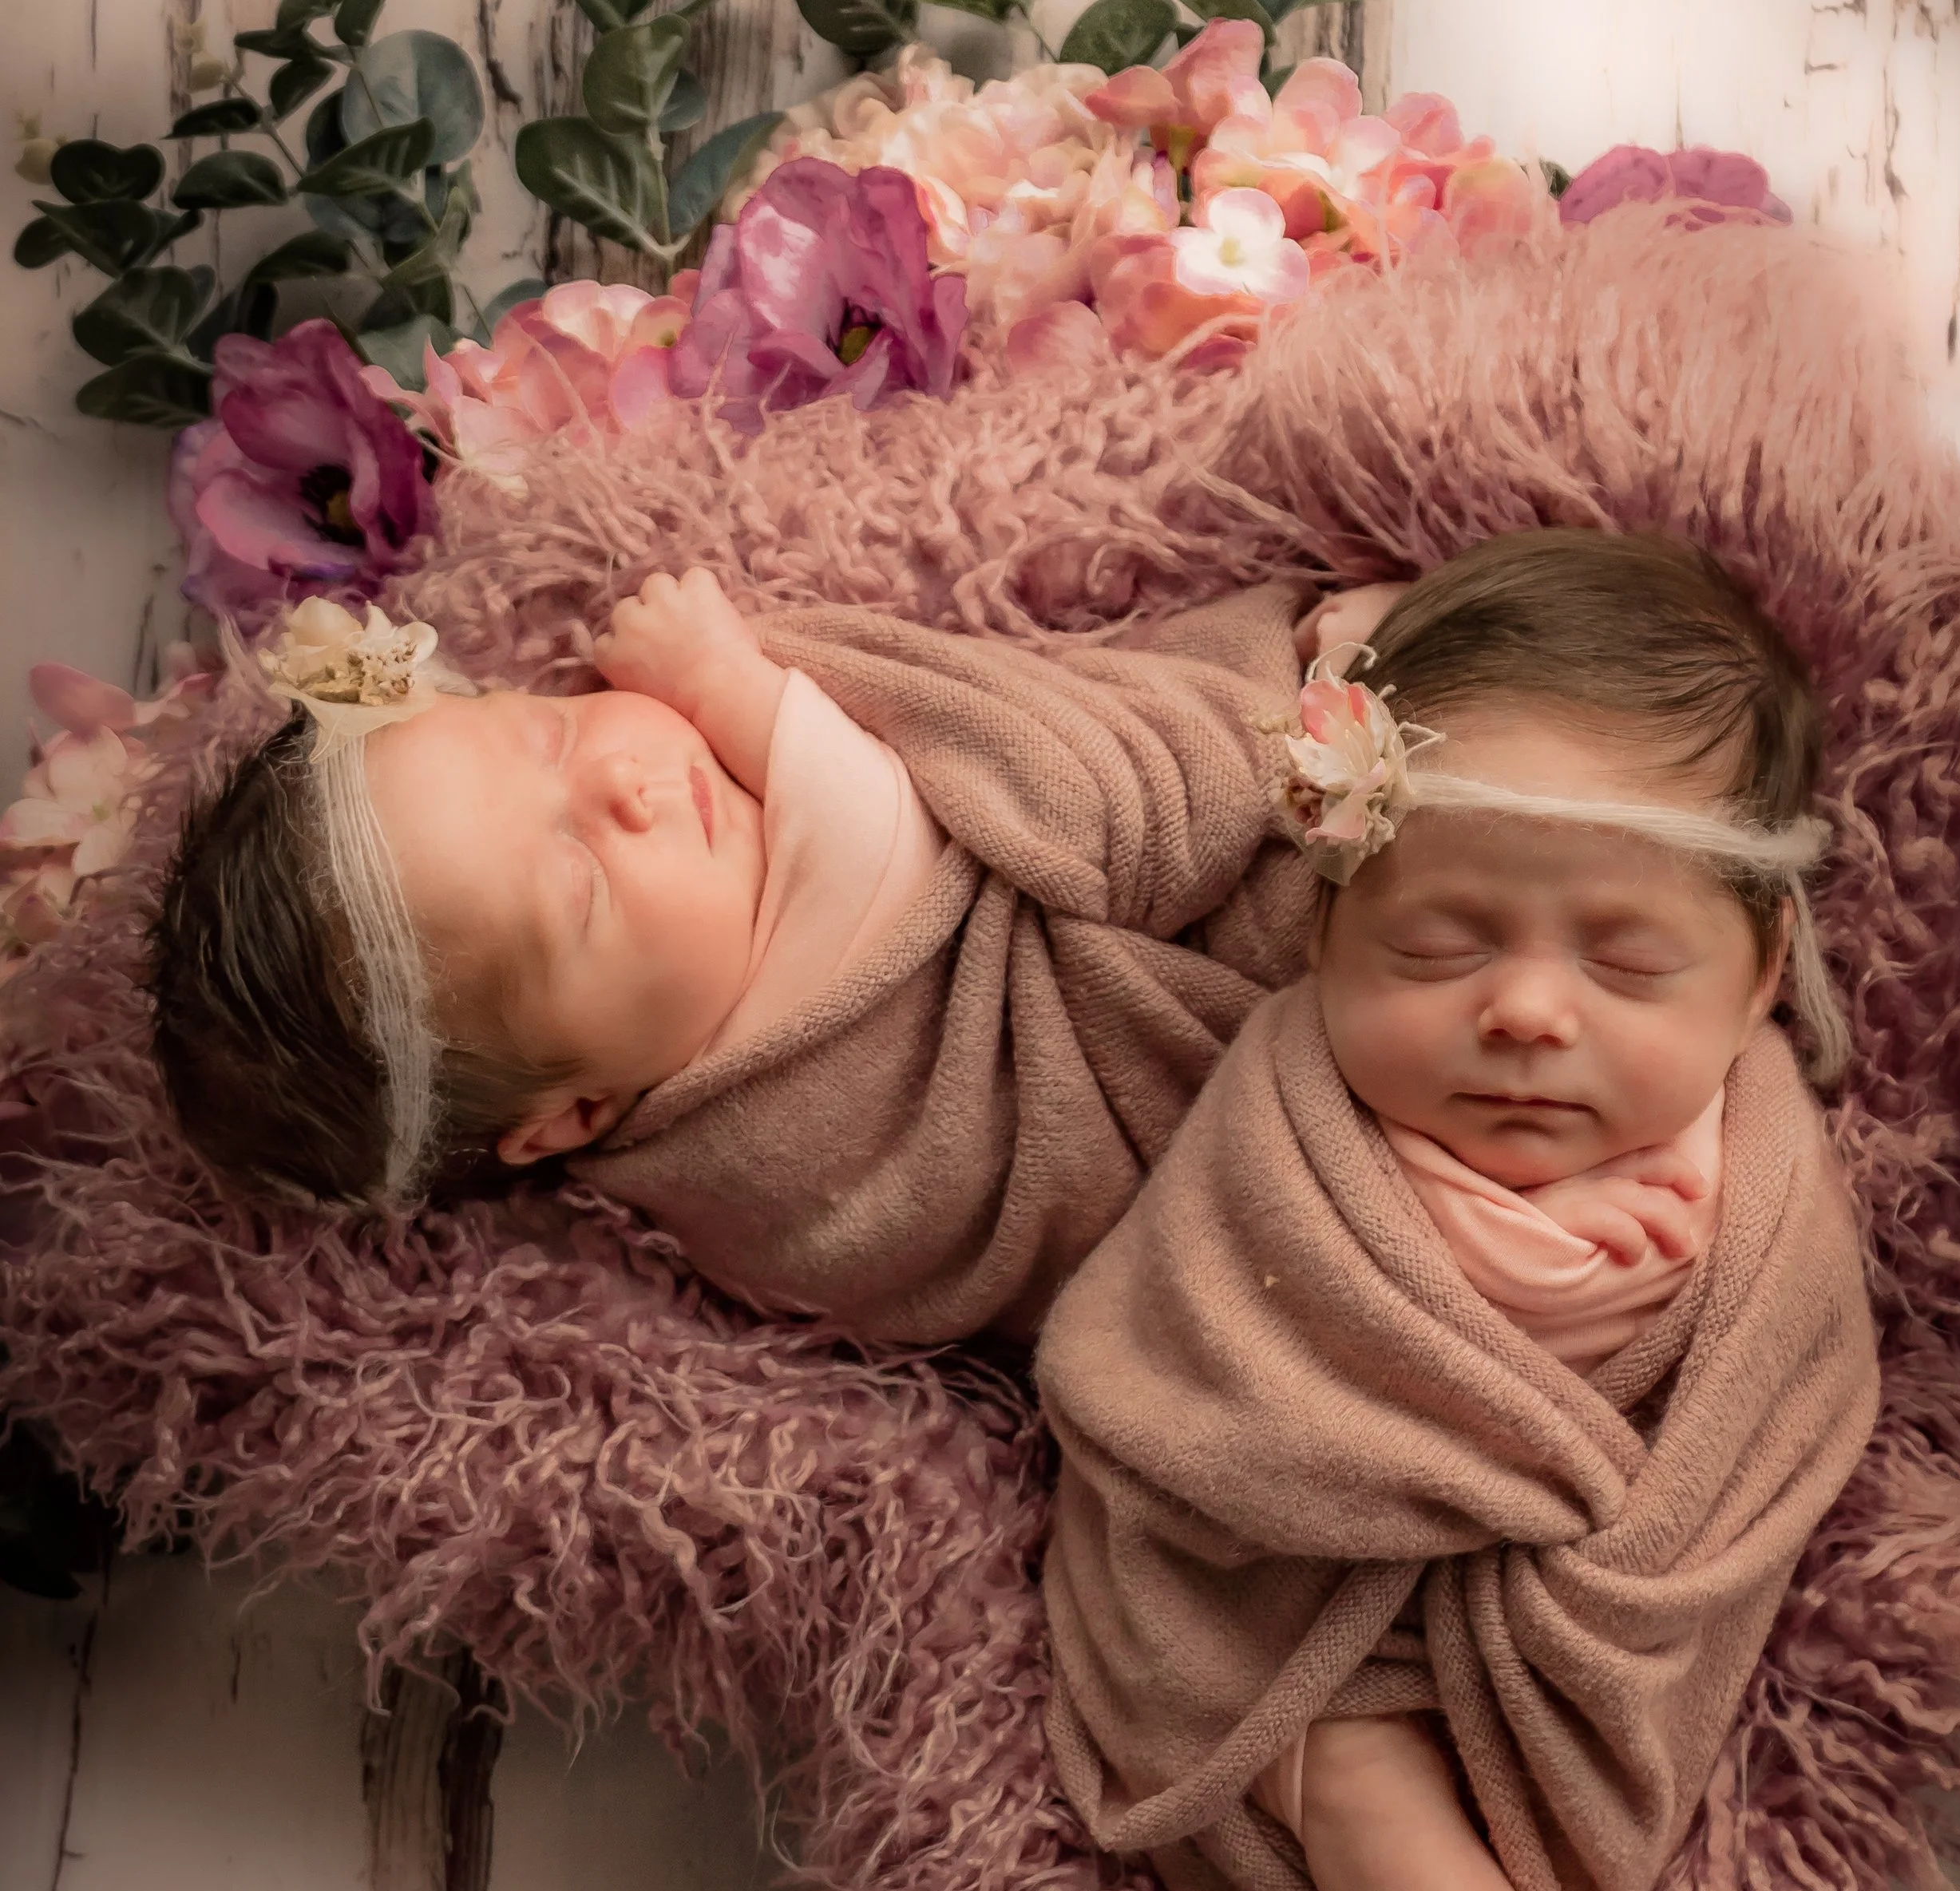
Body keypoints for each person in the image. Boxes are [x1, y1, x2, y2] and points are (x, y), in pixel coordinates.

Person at [1035, 528, 1880, 1891]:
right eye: (1435, 946)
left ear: (1757, 978)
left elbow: (1781, 1399)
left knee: (1502, 1760)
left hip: (1589, 1613)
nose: (1525, 1013)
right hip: (1290, 1599)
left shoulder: (1759, 1172)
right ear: (1329, 924)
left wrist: (1590, 1359)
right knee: (1350, 1759)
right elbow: (1182, 1360)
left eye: (1626, 964)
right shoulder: (1293, 1112)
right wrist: (1513, 1291)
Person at [149, 568, 1389, 1346]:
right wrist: (730, 684)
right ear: (573, 1114)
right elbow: (1050, 815)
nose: (625, 784)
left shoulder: (695, 940)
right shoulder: (783, 1171)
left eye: (548, 736)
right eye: (580, 884)